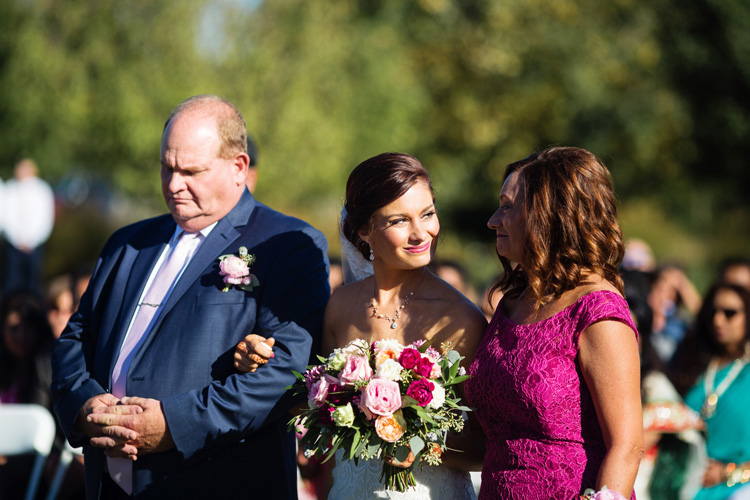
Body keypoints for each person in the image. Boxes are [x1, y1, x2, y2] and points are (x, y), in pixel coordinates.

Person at [50, 94, 330, 499]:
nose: (174, 183)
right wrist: (84, 406)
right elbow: (75, 339)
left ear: (239, 168)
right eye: (166, 167)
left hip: (214, 483)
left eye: (191, 171)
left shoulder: (288, 244)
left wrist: (173, 424)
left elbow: (285, 372)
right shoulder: (127, 244)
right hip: (109, 485)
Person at [235, 152, 487, 499]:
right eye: (400, 221)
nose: (421, 233)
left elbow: (487, 445)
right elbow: (310, 406)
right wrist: (262, 362)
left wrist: (423, 441)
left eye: (428, 214)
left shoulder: (459, 319)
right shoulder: (340, 305)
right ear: (364, 231)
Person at [465, 146, 644, 499]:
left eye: (507, 206)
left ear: (549, 215)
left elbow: (627, 445)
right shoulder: (513, 301)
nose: (493, 219)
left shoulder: (597, 310)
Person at [671, 283, 750, 500]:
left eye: (730, 313)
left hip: (739, 490)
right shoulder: (692, 366)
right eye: (713, 312)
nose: (718, 320)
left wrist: (730, 472)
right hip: (686, 487)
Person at [2, 158, 56, 295]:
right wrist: (16, 239)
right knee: (11, 284)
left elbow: (45, 218)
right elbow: (6, 216)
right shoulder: (10, 189)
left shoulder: (42, 190)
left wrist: (32, 240)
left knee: (33, 284)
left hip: (35, 246)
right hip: (13, 245)